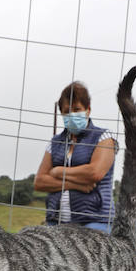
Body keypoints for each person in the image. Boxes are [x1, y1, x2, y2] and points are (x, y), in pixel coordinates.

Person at [33, 80, 116, 231]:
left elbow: (94, 173)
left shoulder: (104, 137)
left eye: (77, 109)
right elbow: (39, 181)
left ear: (88, 109)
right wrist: (76, 184)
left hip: (95, 220)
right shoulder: (55, 142)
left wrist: (58, 172)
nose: (72, 115)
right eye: (67, 111)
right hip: (56, 221)